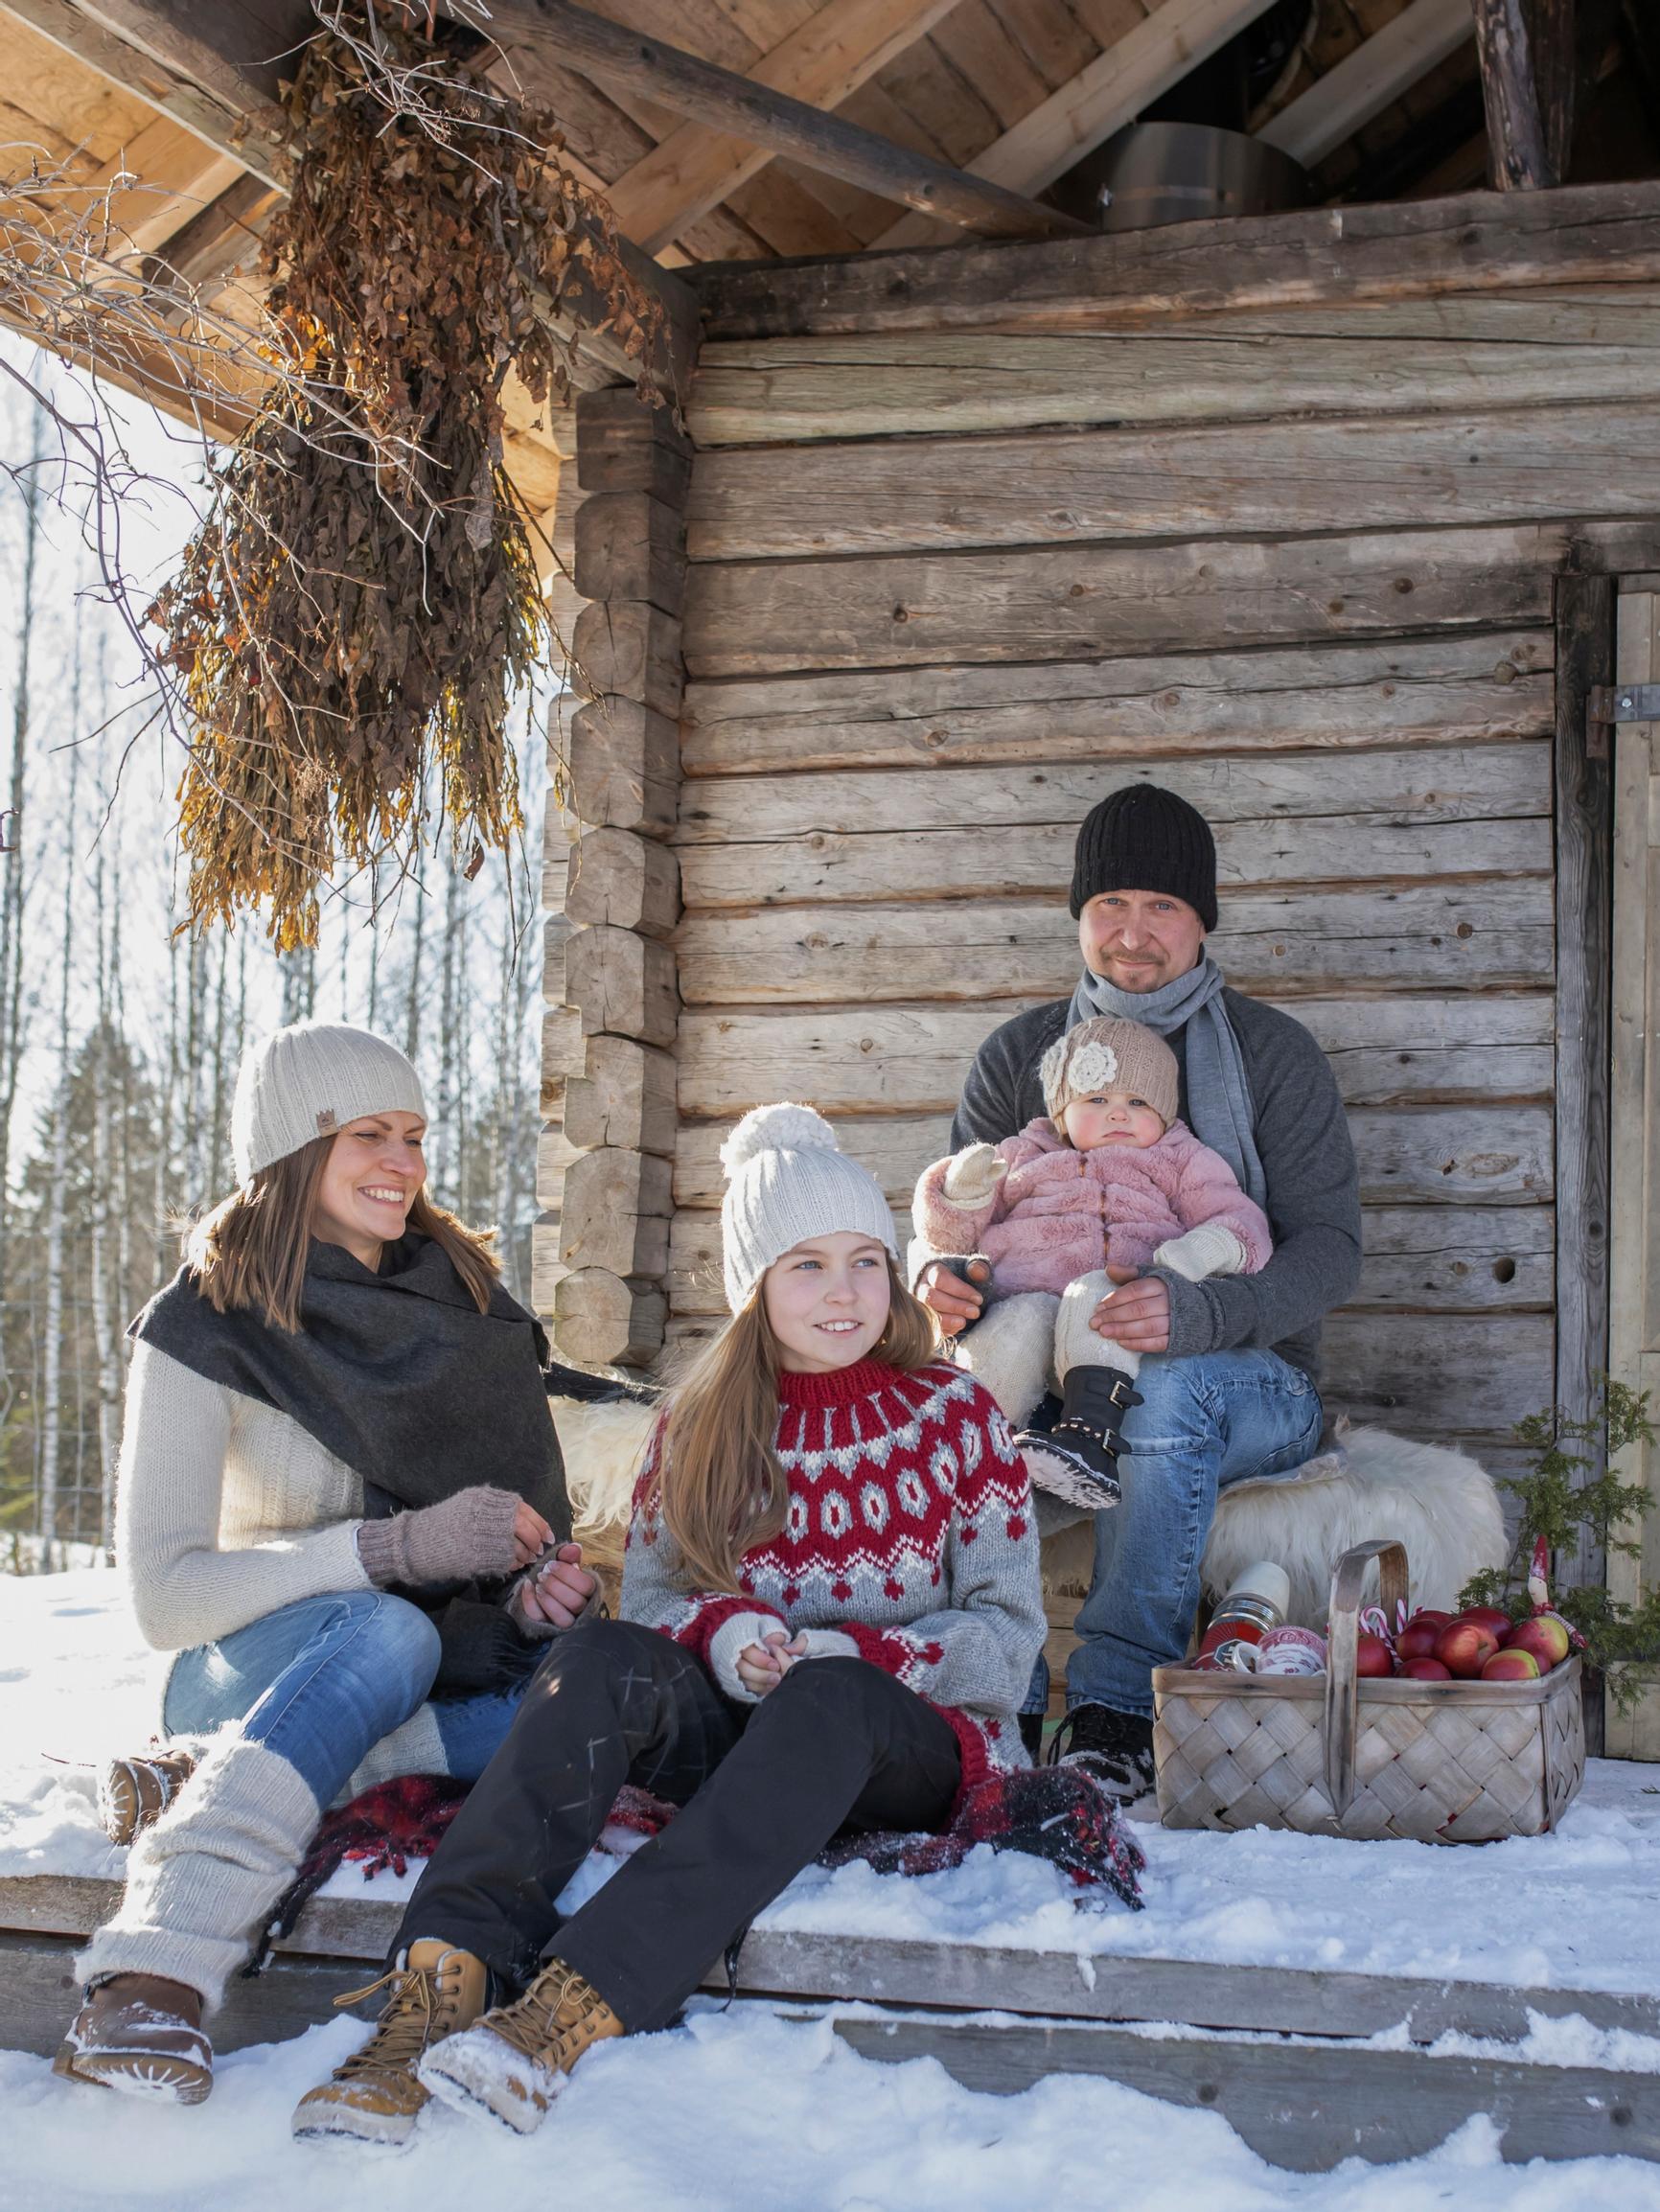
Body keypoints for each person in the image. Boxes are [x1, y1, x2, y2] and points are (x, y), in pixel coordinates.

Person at [293, 1101, 1045, 2147]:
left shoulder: (956, 1417)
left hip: (909, 1745)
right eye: (806, 1266)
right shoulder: (697, 1428)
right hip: (748, 1727)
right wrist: (730, 1632)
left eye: (865, 1261)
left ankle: (570, 2007)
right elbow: (652, 1603)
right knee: (600, 1651)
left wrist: (855, 1651)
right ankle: (441, 1980)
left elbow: (1009, 1644)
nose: (844, 1292)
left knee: (829, 1693)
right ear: (753, 1288)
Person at [57, 1022, 598, 2105]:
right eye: (367, 1136)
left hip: (441, 1663)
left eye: (413, 1135)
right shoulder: (203, 1328)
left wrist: (531, 1599)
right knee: (386, 1623)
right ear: (293, 1155)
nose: (402, 1163)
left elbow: (502, 1541)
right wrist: (390, 1549)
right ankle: (152, 1969)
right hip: (242, 1660)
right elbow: (165, 1598)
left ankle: (209, 1776)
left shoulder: (468, 1306)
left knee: (574, 1711)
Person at [914, 783, 1361, 1802]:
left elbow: (1330, 1249)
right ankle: (998, 1701)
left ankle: (1112, 1708)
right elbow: (957, 1220)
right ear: (1078, 916)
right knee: (968, 1401)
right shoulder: (1017, 1057)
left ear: (1202, 919)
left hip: (1251, 1378)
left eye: (1161, 905)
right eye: (1109, 903)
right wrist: (942, 1284)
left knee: (1157, 1386)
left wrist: (1198, 1313)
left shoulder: (1270, 1056)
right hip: (1046, 1351)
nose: (1131, 931)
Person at [913, 1013, 1272, 1502]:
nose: (1118, 1114)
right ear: (1062, 1112)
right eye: (1098, 1100)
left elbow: (1241, 1222)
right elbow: (952, 1239)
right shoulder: (1022, 1155)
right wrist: (961, 1194)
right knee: (1018, 1323)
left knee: (1098, 1293)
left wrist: (1195, 1254)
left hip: (1114, 1326)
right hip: (1028, 1302)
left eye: (1138, 1102)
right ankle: (960, 1451)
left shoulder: (1181, 1158)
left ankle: (1088, 1444)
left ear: (1165, 1114)